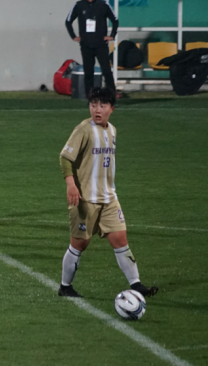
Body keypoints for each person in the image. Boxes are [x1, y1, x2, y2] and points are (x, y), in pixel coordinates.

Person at [58, 87, 158, 298]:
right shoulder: (84, 129)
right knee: (79, 244)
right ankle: (65, 287)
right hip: (85, 199)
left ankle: (136, 284)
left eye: (102, 105)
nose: (97, 109)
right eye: (93, 104)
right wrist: (71, 184)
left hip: (109, 197)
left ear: (111, 108)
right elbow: (65, 158)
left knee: (120, 238)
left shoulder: (112, 130)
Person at [65, 0, 119, 96]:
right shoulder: (79, 5)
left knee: (107, 72)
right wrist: (74, 36)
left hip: (101, 45)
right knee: (88, 73)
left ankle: (112, 98)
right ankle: (91, 99)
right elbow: (68, 21)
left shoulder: (103, 5)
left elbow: (115, 20)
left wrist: (112, 36)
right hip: (86, 45)